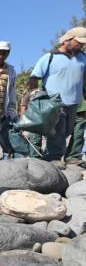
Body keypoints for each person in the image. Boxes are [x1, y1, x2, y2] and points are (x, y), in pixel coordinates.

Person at [28, 27, 86, 164]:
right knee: (57, 132)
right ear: (68, 39)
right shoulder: (50, 57)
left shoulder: (83, 58)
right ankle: (53, 158)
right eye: (79, 42)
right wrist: (36, 93)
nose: (81, 46)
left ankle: (72, 157)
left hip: (75, 102)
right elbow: (34, 77)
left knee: (69, 131)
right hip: (54, 101)